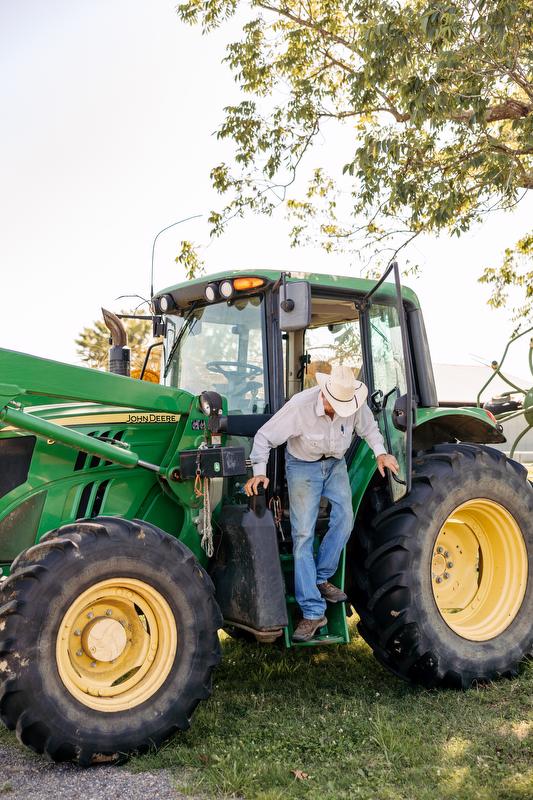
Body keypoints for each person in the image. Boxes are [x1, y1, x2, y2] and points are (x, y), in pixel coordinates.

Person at [244, 364, 399, 642]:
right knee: (303, 536)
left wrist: (381, 453)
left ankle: (321, 576)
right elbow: (264, 437)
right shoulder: (300, 407)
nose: (339, 410)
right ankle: (313, 612)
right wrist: (259, 473)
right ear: (324, 395)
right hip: (303, 467)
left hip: (335, 465)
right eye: (334, 404)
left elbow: (370, 429)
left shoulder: (353, 404)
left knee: (345, 519)